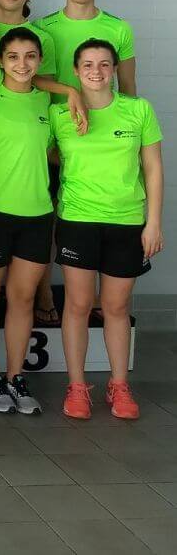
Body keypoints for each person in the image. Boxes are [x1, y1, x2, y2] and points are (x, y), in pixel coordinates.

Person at [52, 39, 163, 420]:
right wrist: (66, 93)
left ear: (115, 69)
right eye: (87, 65)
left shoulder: (138, 110)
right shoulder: (59, 115)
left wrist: (154, 223)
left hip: (127, 222)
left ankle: (119, 386)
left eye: (104, 64)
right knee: (79, 305)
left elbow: (153, 169)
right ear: (76, 70)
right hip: (78, 220)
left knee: (115, 306)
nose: (96, 72)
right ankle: (77, 386)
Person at [0, 28, 53, 415]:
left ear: (39, 61)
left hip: (37, 214)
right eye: (14, 56)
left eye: (30, 56)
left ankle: (17, 376)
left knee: (22, 299)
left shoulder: (49, 101)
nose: (23, 64)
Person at [36, 0, 136, 97]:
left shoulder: (120, 28)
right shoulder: (41, 27)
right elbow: (33, 80)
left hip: (104, 117)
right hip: (55, 117)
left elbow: (127, 84)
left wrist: (128, 119)